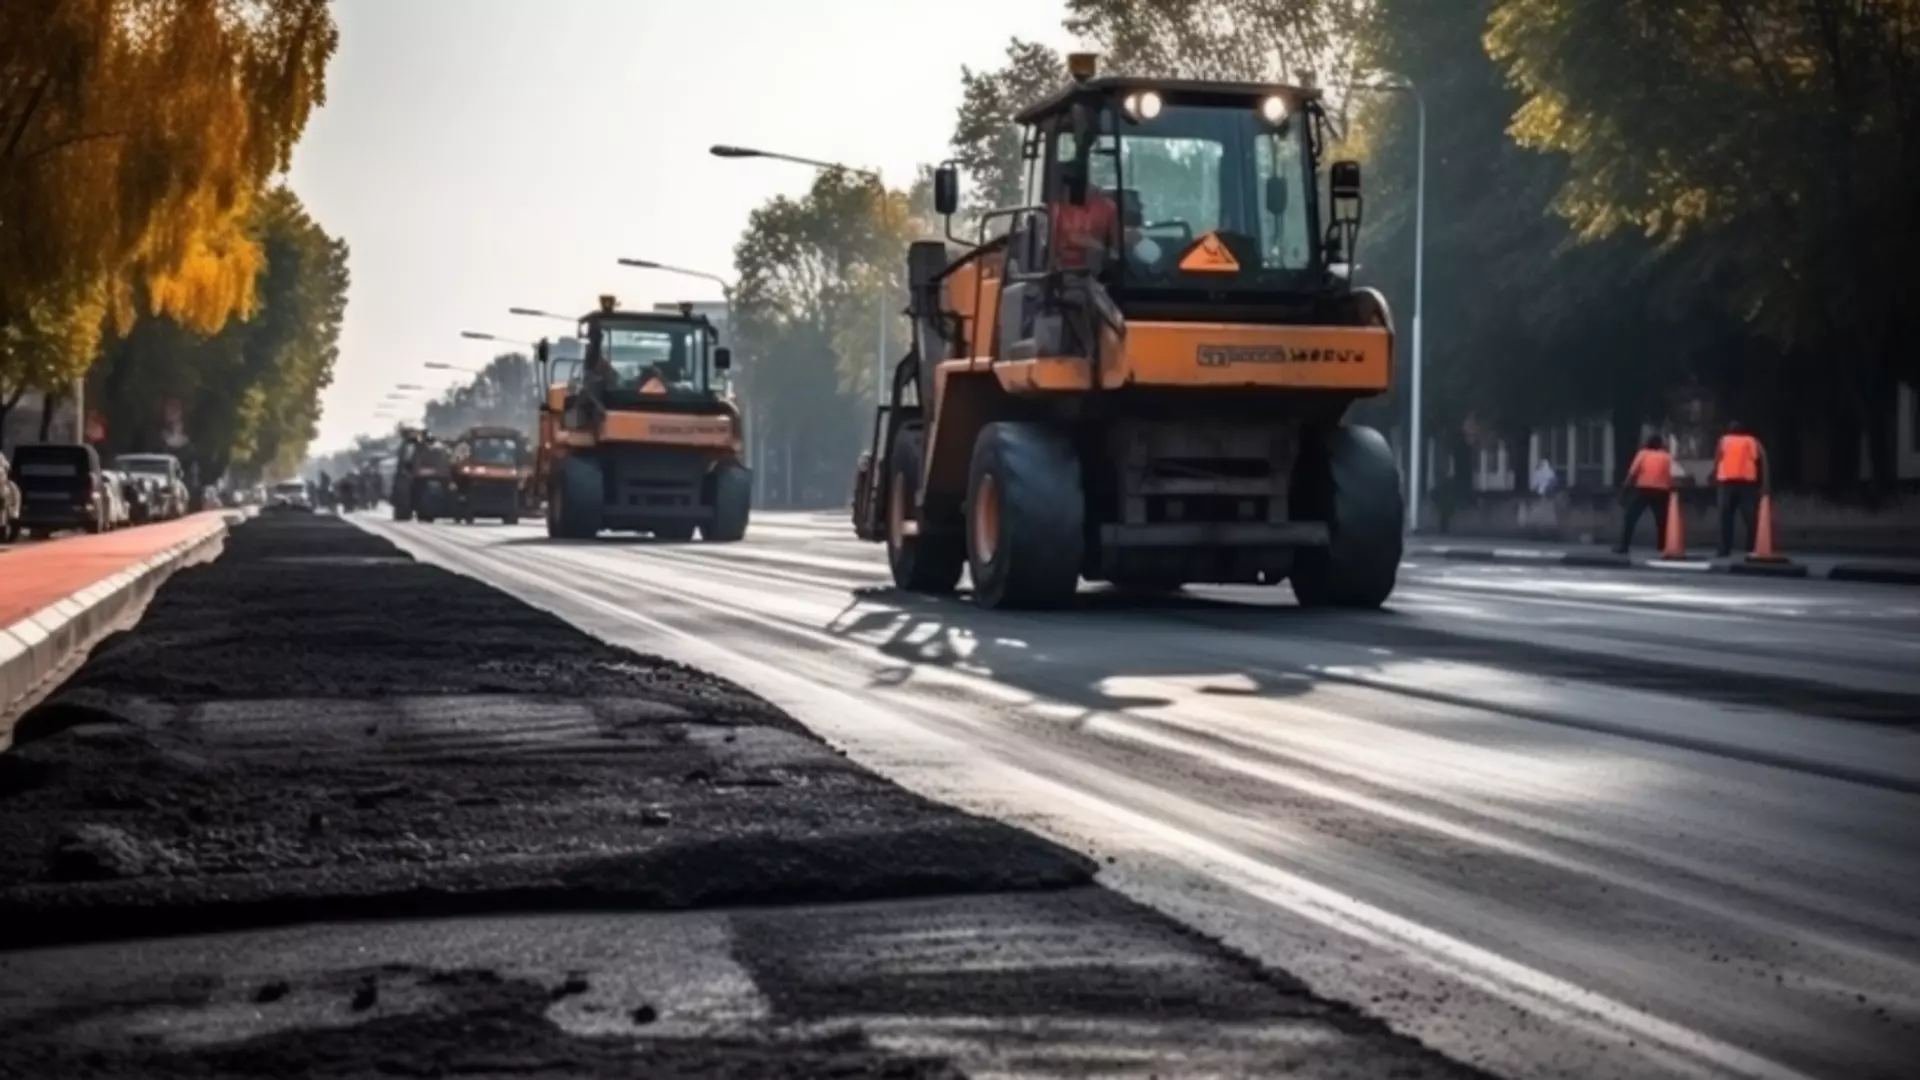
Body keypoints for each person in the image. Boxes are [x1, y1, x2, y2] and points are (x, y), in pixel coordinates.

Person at [1050, 157, 1120, 271]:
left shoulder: (1108, 208)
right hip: (1062, 271)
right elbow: (1063, 239)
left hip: (1094, 270)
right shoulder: (1055, 209)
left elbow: (1116, 241)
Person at [1713, 421, 1765, 556]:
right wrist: (1762, 483)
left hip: (1726, 482)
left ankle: (1724, 548)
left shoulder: (1724, 440)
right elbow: (1759, 460)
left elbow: (1718, 458)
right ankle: (1751, 546)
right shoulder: (1751, 441)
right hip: (1747, 483)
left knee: (1726, 517)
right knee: (1750, 516)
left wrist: (1713, 475)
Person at [1615, 433, 1674, 554]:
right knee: (1661, 520)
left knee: (1630, 518)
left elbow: (1632, 473)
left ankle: (1624, 546)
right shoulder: (1667, 457)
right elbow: (1672, 474)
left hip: (1644, 489)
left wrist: (1624, 489)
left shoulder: (1643, 454)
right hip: (1661, 490)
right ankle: (1661, 546)